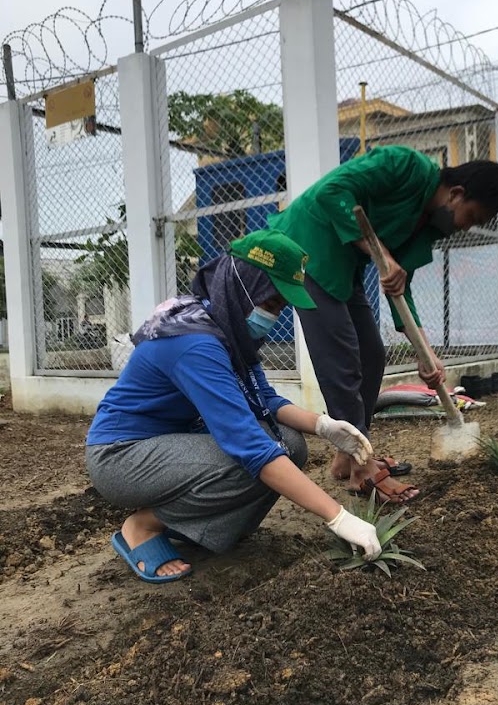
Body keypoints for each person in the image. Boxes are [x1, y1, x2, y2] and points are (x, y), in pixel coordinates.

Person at [86, 229, 381, 584]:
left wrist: (323, 426)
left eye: (280, 308)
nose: (273, 315)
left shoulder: (227, 328)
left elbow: (263, 400)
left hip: (172, 441)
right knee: (252, 461)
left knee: (290, 444)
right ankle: (145, 525)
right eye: (270, 303)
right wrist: (338, 517)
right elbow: (248, 444)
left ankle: (206, 527)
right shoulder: (195, 343)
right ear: (244, 287)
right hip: (122, 456)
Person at [269, 145, 498, 504]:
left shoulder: (427, 226)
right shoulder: (403, 165)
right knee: (342, 359)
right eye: (470, 216)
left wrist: (426, 354)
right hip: (305, 249)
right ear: (457, 194)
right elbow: (331, 193)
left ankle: (346, 455)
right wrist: (381, 254)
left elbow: (402, 287)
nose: (465, 227)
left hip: (342, 267)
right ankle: (362, 468)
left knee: (371, 355)